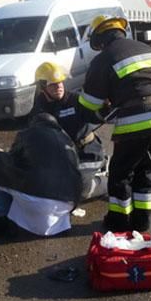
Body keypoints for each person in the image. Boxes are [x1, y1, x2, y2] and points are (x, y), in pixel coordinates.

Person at [77, 15, 151, 232]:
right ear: (121, 32)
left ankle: (119, 223)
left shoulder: (104, 59)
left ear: (99, 40)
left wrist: (97, 113)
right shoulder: (148, 49)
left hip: (138, 122)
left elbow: (89, 104)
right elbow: (146, 83)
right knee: (146, 170)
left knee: (120, 173)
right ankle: (142, 222)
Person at [0, 113, 83, 236]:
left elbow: (13, 157)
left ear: (34, 124)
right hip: (69, 202)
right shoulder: (67, 139)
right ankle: (60, 226)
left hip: (38, 198)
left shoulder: (28, 134)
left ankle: (2, 218)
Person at [31, 61, 107, 200]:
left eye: (60, 82)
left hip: (87, 153)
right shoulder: (39, 107)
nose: (59, 86)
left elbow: (96, 116)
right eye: (53, 84)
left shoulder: (76, 100)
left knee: (80, 189)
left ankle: (108, 182)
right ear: (42, 87)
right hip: (61, 155)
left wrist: (105, 108)